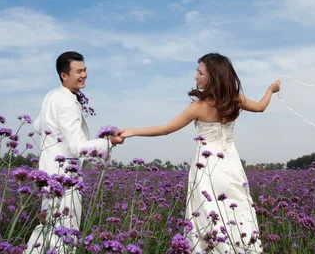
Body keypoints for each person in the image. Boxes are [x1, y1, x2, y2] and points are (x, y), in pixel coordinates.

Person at [119, 53, 280, 253]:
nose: (196, 76)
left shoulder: (198, 107)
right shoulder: (235, 100)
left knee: (207, 214)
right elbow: (261, 107)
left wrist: (132, 131)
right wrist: (271, 89)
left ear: (212, 77)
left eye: (200, 72)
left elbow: (165, 129)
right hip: (231, 165)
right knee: (238, 210)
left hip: (206, 167)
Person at [25, 51, 123, 254]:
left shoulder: (51, 95)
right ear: (64, 75)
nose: (84, 75)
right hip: (65, 177)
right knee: (65, 231)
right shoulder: (68, 102)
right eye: (79, 71)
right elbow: (77, 147)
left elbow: (37, 126)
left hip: (48, 173)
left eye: (85, 70)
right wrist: (109, 142)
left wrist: (53, 131)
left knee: (47, 228)